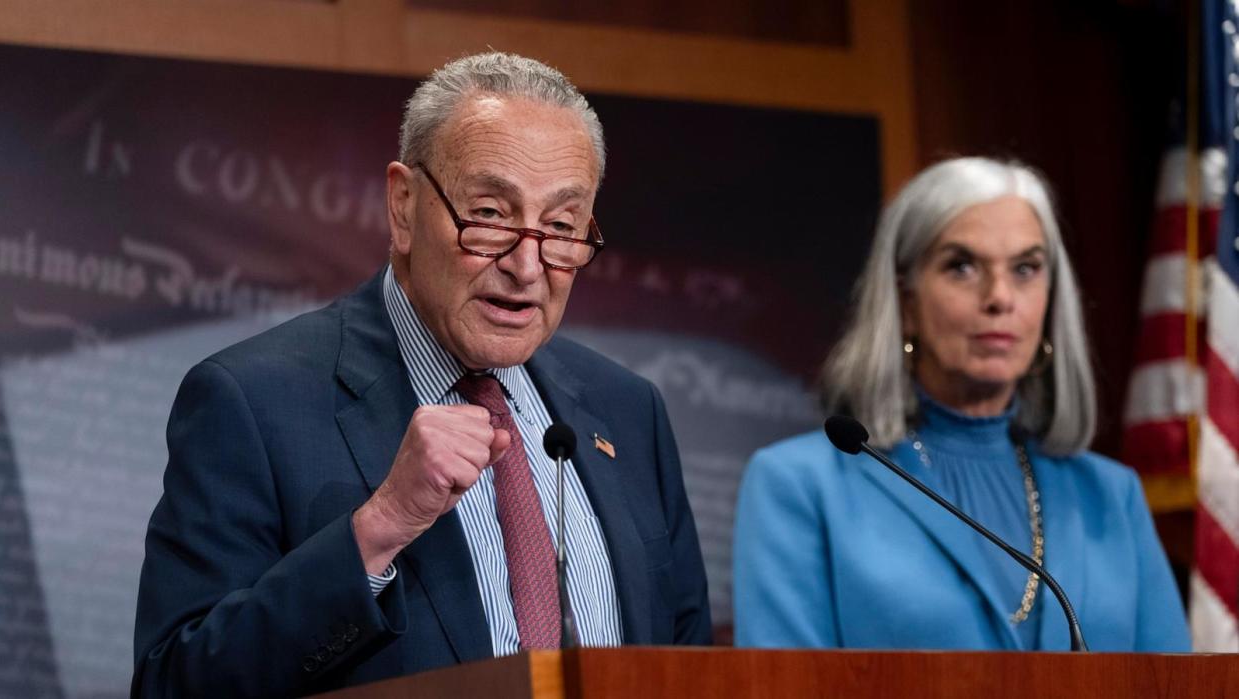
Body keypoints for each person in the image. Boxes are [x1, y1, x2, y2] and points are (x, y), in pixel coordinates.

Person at [133, 52, 711, 697]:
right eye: (489, 215)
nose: (527, 266)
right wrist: (379, 528)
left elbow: (683, 664)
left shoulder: (627, 410)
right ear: (404, 206)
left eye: (560, 227)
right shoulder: (251, 402)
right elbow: (174, 684)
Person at [732, 156, 1189, 651]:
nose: (999, 297)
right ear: (904, 303)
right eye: (962, 266)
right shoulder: (800, 486)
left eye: (1025, 269)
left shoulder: (1111, 496)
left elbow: (1175, 682)